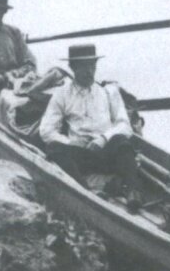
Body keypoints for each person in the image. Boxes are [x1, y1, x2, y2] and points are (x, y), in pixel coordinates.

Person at [38, 43, 140, 183]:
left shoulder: (108, 92)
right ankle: (83, 188)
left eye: (92, 66)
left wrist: (103, 139)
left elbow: (124, 125)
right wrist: (71, 142)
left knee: (122, 142)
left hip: (106, 152)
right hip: (82, 155)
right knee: (54, 149)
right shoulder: (62, 94)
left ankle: (131, 191)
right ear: (73, 67)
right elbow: (46, 130)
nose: (89, 71)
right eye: (84, 66)